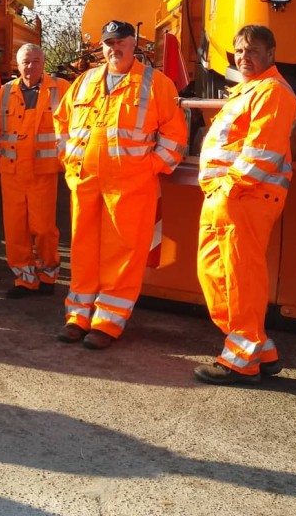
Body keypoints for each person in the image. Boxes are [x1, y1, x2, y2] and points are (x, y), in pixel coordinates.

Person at [53, 20, 187, 349]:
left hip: (130, 185)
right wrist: (70, 161)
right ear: (102, 47)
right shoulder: (84, 81)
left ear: (133, 43)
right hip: (86, 183)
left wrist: (149, 169)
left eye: (121, 42)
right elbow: (61, 122)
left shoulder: (157, 84)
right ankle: (78, 316)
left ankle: (107, 323)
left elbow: (175, 136)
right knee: (83, 249)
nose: (115, 48)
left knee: (123, 252)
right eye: (108, 42)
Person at [194, 25, 296, 385]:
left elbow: (262, 153)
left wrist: (227, 189)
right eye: (240, 51)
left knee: (239, 279)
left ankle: (240, 360)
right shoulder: (246, 92)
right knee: (215, 276)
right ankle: (261, 350)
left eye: (253, 50)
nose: (245, 56)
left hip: (245, 198)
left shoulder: (273, 92)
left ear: (271, 54)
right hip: (228, 198)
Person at [0, 43, 70, 298]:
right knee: (15, 231)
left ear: (43, 63)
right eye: (25, 61)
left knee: (44, 229)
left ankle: (48, 274)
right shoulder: (5, 92)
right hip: (11, 172)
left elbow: (75, 127)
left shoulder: (61, 89)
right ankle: (24, 280)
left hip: (42, 172)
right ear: (17, 64)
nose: (30, 66)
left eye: (35, 61)